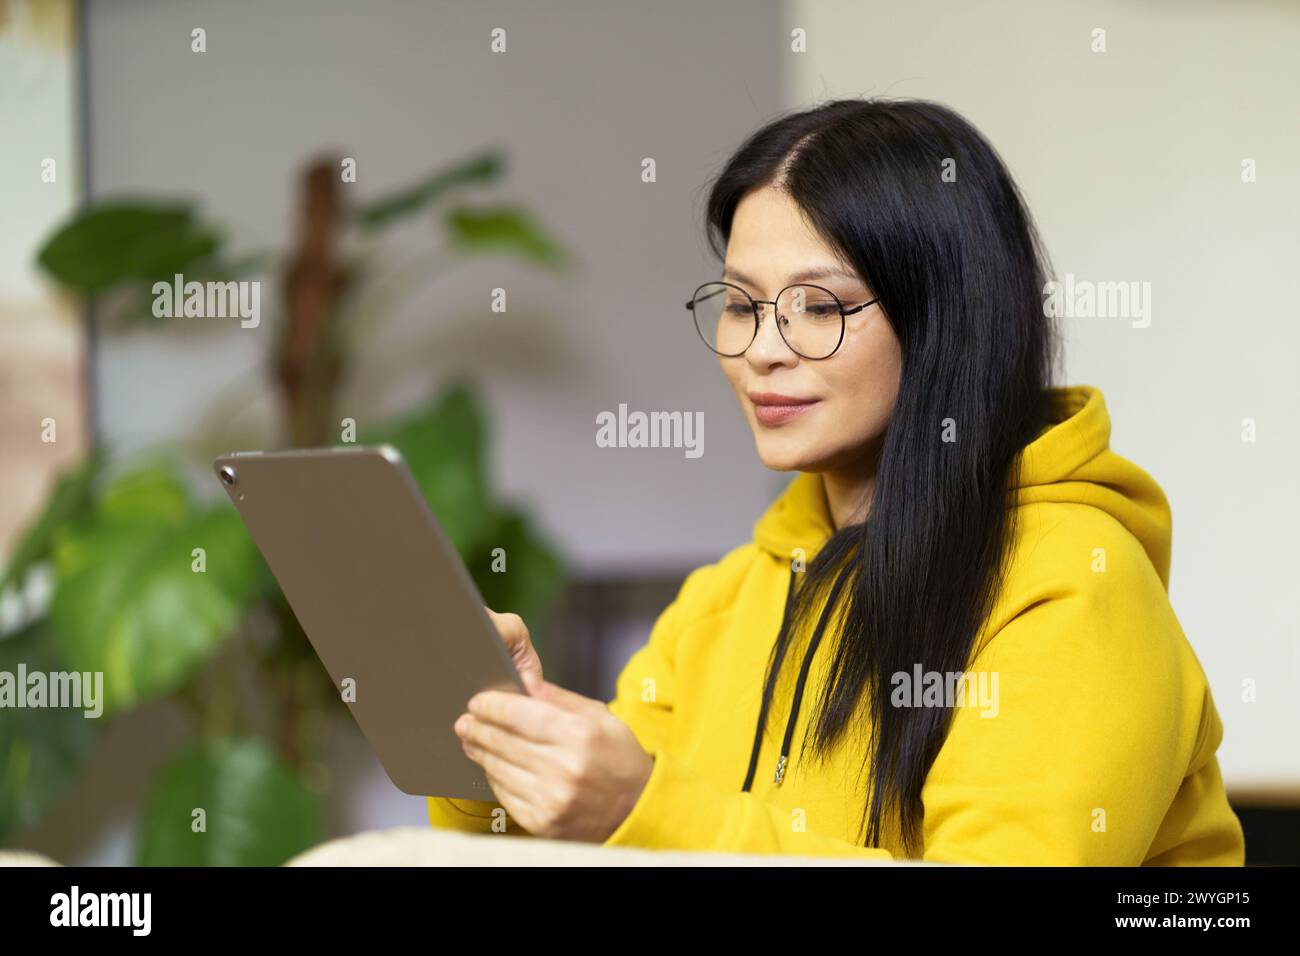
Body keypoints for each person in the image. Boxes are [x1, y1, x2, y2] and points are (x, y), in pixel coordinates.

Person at [431, 98, 1245, 864]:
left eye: (820, 305)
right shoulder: (726, 600)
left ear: (944, 318)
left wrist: (645, 807)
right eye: (743, 304)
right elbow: (590, 840)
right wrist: (495, 747)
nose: (763, 349)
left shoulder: (1075, 585)